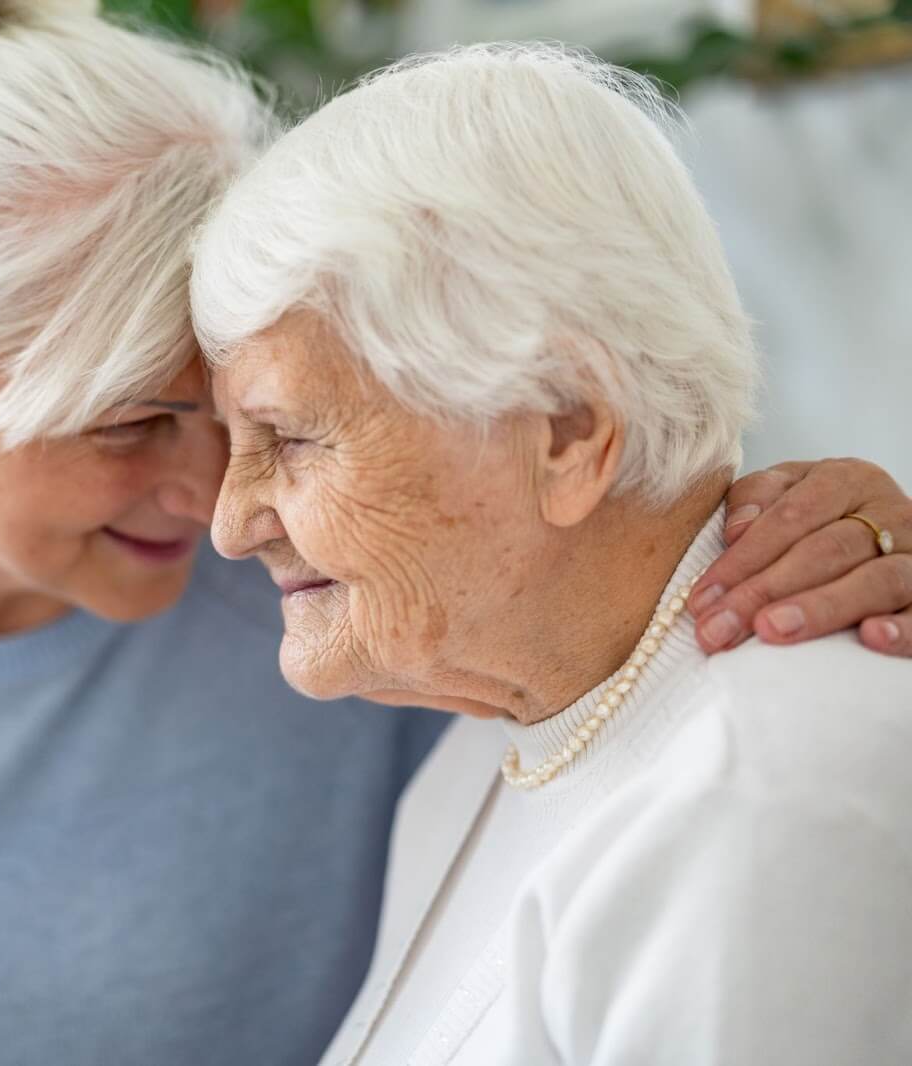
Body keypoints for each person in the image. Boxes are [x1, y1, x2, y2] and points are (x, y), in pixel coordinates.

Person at [0, 4, 912, 1062]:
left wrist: (805, 518)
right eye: (129, 423)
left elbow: (598, 589)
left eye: (252, 420)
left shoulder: (326, 599)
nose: (213, 504)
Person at [190, 42, 912, 1066]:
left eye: (293, 437)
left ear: (566, 432)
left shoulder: (763, 805)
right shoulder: (491, 735)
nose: (231, 520)